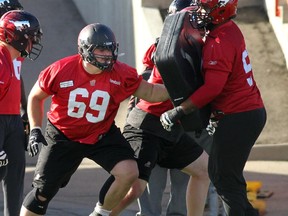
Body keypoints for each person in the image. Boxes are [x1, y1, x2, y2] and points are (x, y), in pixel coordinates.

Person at [19, 22, 169, 216]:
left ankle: (100, 213)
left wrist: (182, 89)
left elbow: (150, 92)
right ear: (84, 50)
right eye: (100, 49)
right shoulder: (61, 69)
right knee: (42, 193)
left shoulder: (122, 73)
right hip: (63, 136)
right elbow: (35, 97)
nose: (107, 54)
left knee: (129, 172)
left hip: (101, 133)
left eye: (109, 49)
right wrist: (35, 129)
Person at [160, 1, 267, 216]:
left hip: (239, 115)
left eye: (204, 8)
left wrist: (179, 110)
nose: (200, 12)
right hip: (244, 113)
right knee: (227, 176)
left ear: (221, 9)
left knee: (223, 178)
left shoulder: (220, 40)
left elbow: (212, 88)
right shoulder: (228, 30)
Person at [110, 4, 210, 216]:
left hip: (175, 125)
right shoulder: (172, 45)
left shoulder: (191, 43)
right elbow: (154, 80)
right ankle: (101, 213)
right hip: (153, 123)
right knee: (140, 188)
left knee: (197, 173)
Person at [0, 6, 43, 216]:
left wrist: (25, 111)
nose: (33, 42)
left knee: (15, 173)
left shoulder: (13, 54)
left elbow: (17, 81)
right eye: (31, 37)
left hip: (13, 118)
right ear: (15, 36)